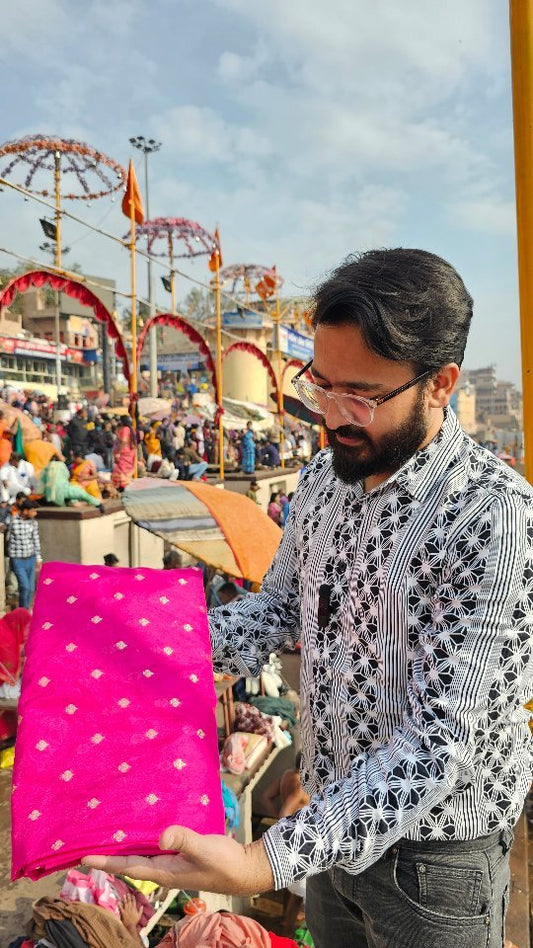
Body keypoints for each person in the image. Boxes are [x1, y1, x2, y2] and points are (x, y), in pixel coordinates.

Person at [83, 249, 533, 948]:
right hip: (326, 832)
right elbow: (280, 606)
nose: (331, 416)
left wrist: (265, 859)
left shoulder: (493, 515)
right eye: (319, 385)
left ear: (440, 383)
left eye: (360, 395)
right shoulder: (326, 477)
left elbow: (438, 743)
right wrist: (160, 650)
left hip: (434, 864)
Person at [8, 499, 41, 609]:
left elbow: (36, 540)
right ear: (26, 511)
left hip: (31, 559)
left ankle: (26, 611)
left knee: (31, 589)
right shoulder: (12, 521)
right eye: (33, 511)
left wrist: (38, 558)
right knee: (24, 587)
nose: (35, 513)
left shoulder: (34, 522)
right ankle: (23, 612)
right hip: (18, 560)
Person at [39, 458, 105, 512]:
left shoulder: (45, 484)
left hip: (50, 499)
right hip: (64, 496)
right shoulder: (67, 488)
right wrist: (98, 504)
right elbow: (83, 494)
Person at [111, 426, 136, 490]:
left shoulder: (129, 447)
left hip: (125, 474)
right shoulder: (130, 446)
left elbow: (134, 467)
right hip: (122, 474)